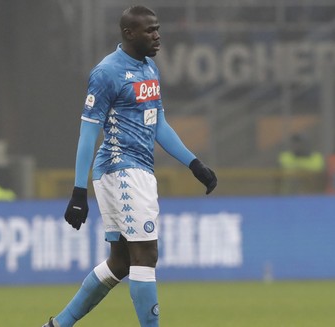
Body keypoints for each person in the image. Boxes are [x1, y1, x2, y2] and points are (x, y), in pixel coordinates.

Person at [43, 6, 217, 327]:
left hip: (139, 171)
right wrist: (78, 191)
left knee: (121, 262)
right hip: (121, 171)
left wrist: (194, 163)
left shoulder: (150, 69)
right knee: (146, 256)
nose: (157, 35)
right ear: (128, 33)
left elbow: (158, 124)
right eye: (149, 30)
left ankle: (58, 325)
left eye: (157, 28)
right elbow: (88, 133)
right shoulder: (107, 73)